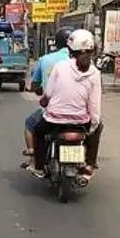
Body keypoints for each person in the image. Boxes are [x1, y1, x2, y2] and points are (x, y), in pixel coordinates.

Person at [31, 29, 102, 178]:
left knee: (37, 132)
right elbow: (94, 104)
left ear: (70, 49)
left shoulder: (60, 66)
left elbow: (48, 94)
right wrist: (93, 125)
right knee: (98, 127)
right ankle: (89, 165)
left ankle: (39, 167)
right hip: (80, 122)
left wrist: (44, 102)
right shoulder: (95, 72)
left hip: (54, 120)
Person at [21, 27, 73, 165]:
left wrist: (34, 90)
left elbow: (37, 86)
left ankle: (34, 156)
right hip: (80, 114)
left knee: (30, 124)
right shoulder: (84, 63)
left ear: (56, 43)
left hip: (53, 112)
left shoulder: (45, 60)